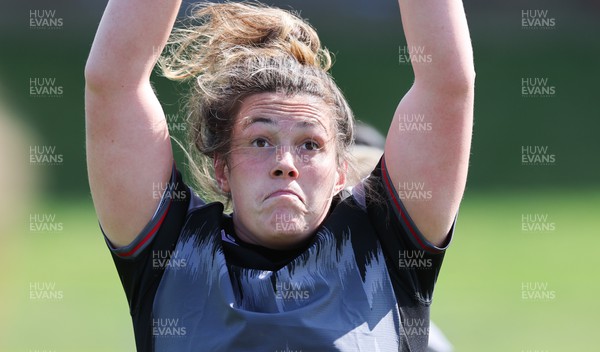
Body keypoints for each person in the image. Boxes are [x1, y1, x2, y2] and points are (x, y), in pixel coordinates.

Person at [85, 1, 474, 351]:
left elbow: (447, 83)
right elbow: (112, 81)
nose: (284, 162)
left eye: (309, 145)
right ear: (223, 169)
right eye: (259, 141)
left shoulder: (387, 248)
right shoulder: (171, 253)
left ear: (341, 172)